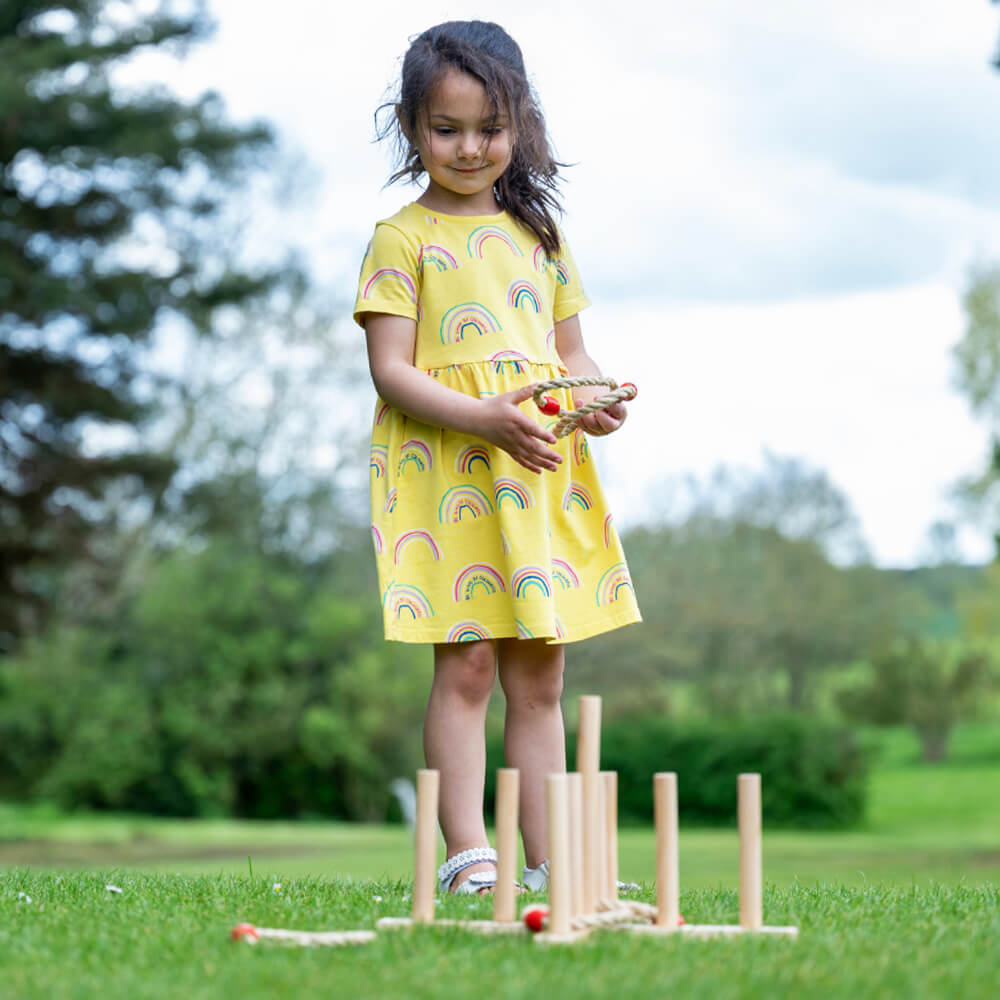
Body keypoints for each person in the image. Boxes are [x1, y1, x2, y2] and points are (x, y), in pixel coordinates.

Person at [353, 20, 641, 895]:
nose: (470, 148)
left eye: (489, 127)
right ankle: (469, 856)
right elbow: (391, 371)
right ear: (412, 128)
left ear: (521, 124)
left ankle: (554, 865)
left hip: (535, 471)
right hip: (451, 477)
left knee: (541, 670)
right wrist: (482, 416)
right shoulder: (401, 238)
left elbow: (570, 351)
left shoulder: (540, 236)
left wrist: (592, 399)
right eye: (447, 129)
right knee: (469, 660)